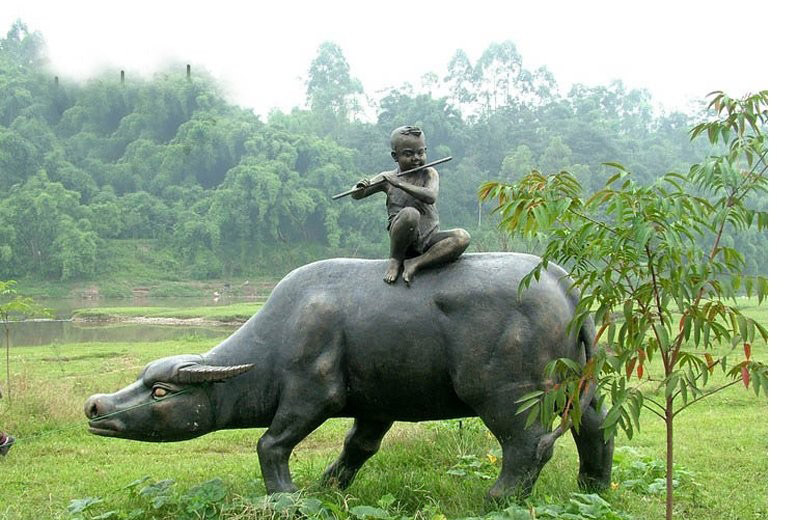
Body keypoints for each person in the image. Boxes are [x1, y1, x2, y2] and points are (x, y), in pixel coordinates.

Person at [352, 125, 470, 284]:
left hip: (429, 240)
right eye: (409, 154)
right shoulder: (387, 178)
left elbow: (430, 196)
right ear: (395, 156)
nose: (416, 158)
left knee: (462, 237)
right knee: (410, 214)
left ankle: (416, 263)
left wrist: (399, 183)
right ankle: (395, 259)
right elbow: (357, 195)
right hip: (404, 240)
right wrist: (359, 187)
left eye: (420, 153)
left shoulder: (429, 173)